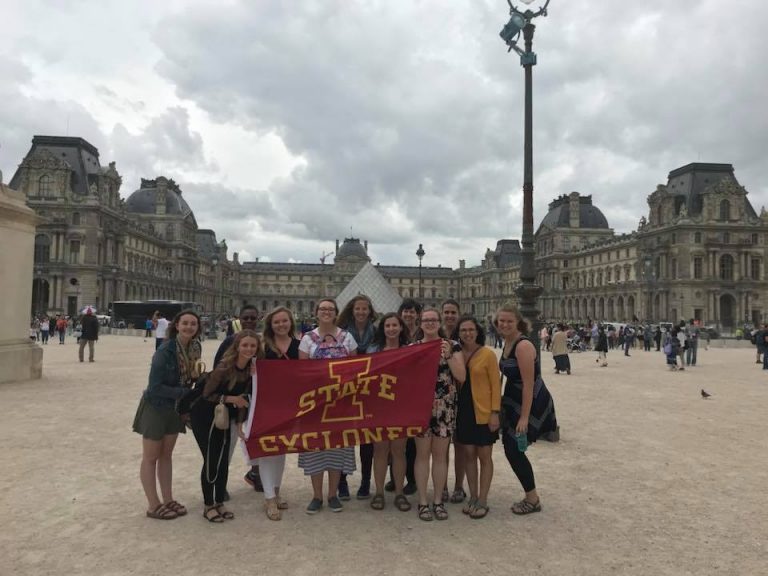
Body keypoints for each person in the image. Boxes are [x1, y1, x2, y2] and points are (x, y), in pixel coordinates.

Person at [133, 309, 202, 520]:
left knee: (166, 455)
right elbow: (154, 387)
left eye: (193, 324)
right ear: (177, 325)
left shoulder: (194, 348)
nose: (189, 327)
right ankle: (153, 505)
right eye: (185, 323)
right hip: (156, 406)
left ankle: (168, 498)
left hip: (174, 408)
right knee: (151, 457)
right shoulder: (165, 350)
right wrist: (186, 393)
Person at [190, 330, 258, 523]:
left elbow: (243, 400)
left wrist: (239, 425)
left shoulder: (249, 370)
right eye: (245, 345)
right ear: (237, 346)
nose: (249, 349)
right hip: (204, 416)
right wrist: (230, 398)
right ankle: (208, 505)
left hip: (225, 417)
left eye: (253, 345)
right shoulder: (223, 368)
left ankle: (219, 502)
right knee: (212, 460)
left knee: (223, 462)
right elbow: (206, 395)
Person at [496, 304, 558, 515]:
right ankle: (531, 495)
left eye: (509, 321)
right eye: (501, 321)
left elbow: (529, 384)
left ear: (518, 322)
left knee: (514, 449)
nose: (504, 324)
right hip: (514, 398)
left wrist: (524, 417)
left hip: (530, 401)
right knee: (512, 447)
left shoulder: (523, 345)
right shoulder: (508, 342)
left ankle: (532, 499)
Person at [298, 299, 358, 514]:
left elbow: (355, 369)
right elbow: (302, 372)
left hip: (340, 402)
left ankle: (332, 494)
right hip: (315, 403)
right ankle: (316, 495)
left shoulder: (347, 337)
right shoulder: (307, 339)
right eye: (322, 309)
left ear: (336, 313)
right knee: (315, 448)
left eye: (330, 309)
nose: (326, 312)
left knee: (337, 448)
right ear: (316, 313)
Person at [414, 308, 465, 522]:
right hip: (420, 408)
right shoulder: (413, 348)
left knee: (440, 456)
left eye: (433, 320)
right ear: (420, 323)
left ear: (439, 322)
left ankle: (438, 500)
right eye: (426, 320)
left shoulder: (453, 346)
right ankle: (423, 501)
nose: (430, 323)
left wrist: (448, 355)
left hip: (444, 407)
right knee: (422, 455)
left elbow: (461, 376)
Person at [212, 304, 263, 495]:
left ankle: (255, 473)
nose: (249, 321)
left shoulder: (259, 342)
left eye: (252, 318)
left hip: (253, 401)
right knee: (228, 444)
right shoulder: (230, 341)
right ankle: (220, 484)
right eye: (246, 318)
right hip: (232, 401)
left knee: (255, 439)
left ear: (258, 319)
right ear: (239, 319)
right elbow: (217, 369)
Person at [455, 315, 500, 519]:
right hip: (463, 412)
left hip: (483, 412)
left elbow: (496, 386)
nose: (467, 333)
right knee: (469, 456)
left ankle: (483, 500)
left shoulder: (488, 355)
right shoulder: (455, 354)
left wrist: (495, 413)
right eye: (463, 330)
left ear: (477, 331)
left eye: (471, 329)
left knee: (484, 456)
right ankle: (472, 497)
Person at [258, 306, 301, 520]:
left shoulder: (299, 345)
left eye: (284, 321)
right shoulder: (262, 346)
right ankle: (268, 498)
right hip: (266, 404)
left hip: (290, 404)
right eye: (276, 322)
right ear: (270, 325)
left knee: (281, 449)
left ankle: (275, 491)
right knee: (267, 450)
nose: (281, 325)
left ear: (291, 322)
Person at [368, 313, 412, 512]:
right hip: (379, 407)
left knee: (398, 451)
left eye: (395, 325)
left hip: (401, 407)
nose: (392, 329)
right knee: (380, 451)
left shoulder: (410, 350)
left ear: (401, 328)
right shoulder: (374, 350)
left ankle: (399, 492)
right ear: (383, 329)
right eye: (388, 325)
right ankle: (378, 492)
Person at [336, 295, 377, 500]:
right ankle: (341, 482)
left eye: (365, 309)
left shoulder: (377, 332)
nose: (361, 312)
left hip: (370, 390)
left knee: (367, 440)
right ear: (352, 310)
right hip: (346, 390)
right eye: (358, 309)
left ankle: (365, 483)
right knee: (344, 438)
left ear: (370, 311)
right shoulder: (341, 333)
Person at [384, 299, 422, 496]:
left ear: (418, 314)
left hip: (408, 397)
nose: (409, 315)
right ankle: (395, 477)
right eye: (405, 311)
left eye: (412, 311)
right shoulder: (388, 342)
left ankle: (413, 479)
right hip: (389, 398)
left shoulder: (422, 333)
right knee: (393, 445)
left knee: (409, 445)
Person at [442, 299, 466, 505]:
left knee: (459, 445)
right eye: (446, 312)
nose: (450, 315)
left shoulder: (465, 336)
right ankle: (442, 485)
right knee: (441, 447)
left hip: (463, 396)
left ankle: (459, 486)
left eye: (453, 312)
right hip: (442, 398)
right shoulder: (434, 336)